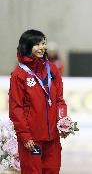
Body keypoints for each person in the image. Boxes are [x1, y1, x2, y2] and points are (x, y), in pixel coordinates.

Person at [9, 29, 68, 174]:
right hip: (32, 140)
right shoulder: (19, 74)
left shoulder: (52, 69)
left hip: (53, 138)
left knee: (53, 171)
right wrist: (25, 136)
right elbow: (16, 108)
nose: (42, 47)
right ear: (27, 46)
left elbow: (59, 100)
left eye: (43, 43)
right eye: (37, 44)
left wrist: (63, 123)